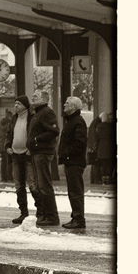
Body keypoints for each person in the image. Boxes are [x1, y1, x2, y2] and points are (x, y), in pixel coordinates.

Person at [3, 96, 39, 224]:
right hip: (15, 155)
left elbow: (35, 134)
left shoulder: (32, 117)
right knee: (19, 185)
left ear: (25, 105)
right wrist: (7, 146)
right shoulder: (14, 118)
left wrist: (32, 149)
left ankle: (40, 212)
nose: (16, 105)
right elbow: (9, 134)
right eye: (15, 103)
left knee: (33, 184)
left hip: (27, 154)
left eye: (18, 103)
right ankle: (23, 212)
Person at [27, 91, 60, 226]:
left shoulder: (46, 112)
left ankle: (51, 216)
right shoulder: (37, 113)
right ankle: (46, 215)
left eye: (36, 96)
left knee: (44, 185)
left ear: (44, 99)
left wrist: (36, 140)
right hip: (37, 152)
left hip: (43, 152)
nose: (32, 97)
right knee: (41, 185)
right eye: (33, 95)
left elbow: (53, 131)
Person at [58, 96, 88, 229]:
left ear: (74, 107)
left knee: (75, 191)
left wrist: (67, 154)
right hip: (71, 161)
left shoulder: (77, 122)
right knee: (73, 191)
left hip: (74, 162)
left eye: (67, 103)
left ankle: (79, 219)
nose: (64, 105)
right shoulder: (72, 121)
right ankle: (76, 217)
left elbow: (79, 143)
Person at [96, 111, 116, 184]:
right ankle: (109, 179)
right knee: (110, 164)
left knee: (103, 164)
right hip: (110, 147)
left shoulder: (98, 127)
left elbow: (97, 137)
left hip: (101, 147)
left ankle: (103, 179)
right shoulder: (110, 127)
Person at [87, 112, 103, 185]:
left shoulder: (94, 122)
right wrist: (94, 145)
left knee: (94, 163)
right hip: (95, 146)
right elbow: (94, 136)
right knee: (96, 163)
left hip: (92, 145)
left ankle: (93, 180)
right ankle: (96, 179)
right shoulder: (97, 124)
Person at [0, 109, 13, 182]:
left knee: (3, 162)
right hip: (6, 145)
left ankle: (3, 178)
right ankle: (9, 177)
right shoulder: (8, 124)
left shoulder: (1, 124)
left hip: (1, 145)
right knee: (9, 162)